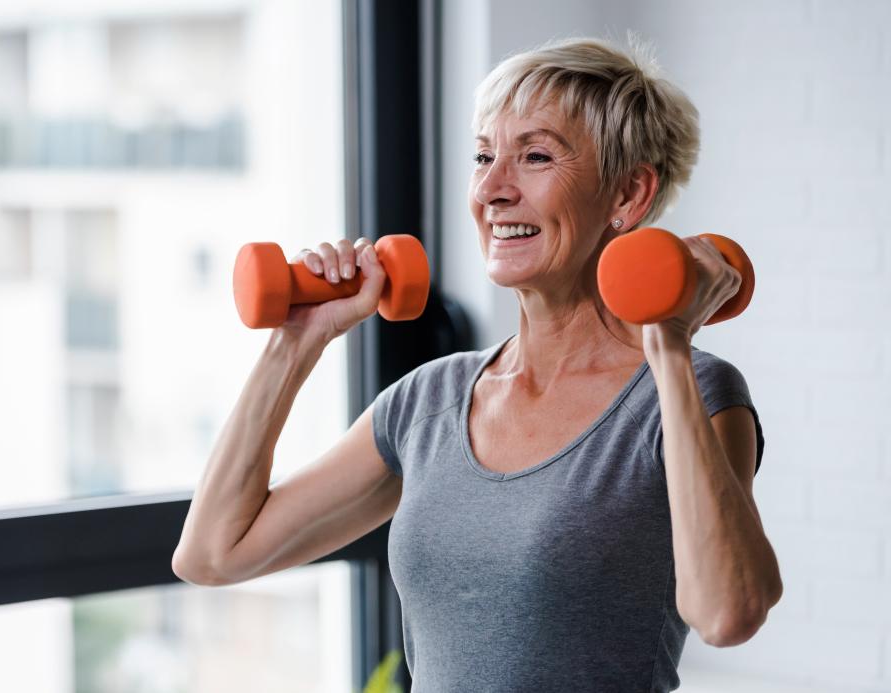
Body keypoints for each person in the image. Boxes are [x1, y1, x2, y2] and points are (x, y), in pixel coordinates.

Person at [172, 36, 782, 692]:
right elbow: (213, 553)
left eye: (536, 156)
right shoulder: (427, 402)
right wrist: (293, 344)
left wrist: (665, 340)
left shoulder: (689, 391)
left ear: (627, 195)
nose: (492, 189)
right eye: (484, 156)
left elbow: (726, 613)